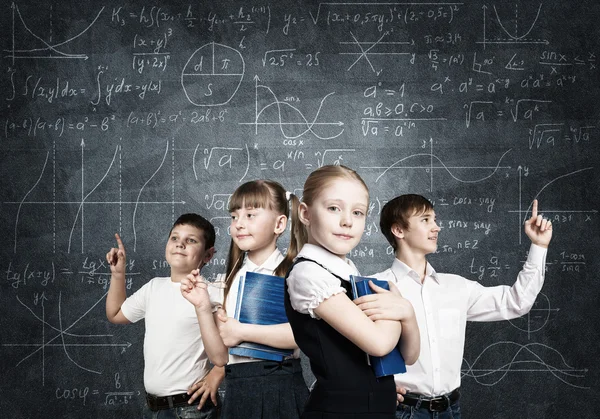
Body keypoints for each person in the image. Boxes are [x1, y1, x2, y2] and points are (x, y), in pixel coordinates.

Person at [366, 194, 553, 419]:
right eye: (426, 220)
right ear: (398, 230)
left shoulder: (457, 287)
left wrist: (539, 246)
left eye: (435, 220)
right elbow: (348, 353)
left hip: (451, 410)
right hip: (401, 411)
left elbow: (517, 302)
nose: (437, 228)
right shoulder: (375, 287)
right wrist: (371, 388)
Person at [284, 165, 421, 419]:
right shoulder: (309, 274)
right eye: (333, 208)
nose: (347, 220)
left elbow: (409, 356)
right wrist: (397, 309)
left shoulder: (348, 272)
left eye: (358, 212)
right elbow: (379, 344)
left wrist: (408, 313)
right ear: (305, 213)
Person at [180, 179, 309, 419]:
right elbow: (219, 357)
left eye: (250, 215)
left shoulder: (294, 273)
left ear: (279, 223)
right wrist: (202, 306)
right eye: (234, 216)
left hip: (282, 387)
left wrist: (242, 332)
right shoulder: (227, 281)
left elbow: (304, 335)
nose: (239, 224)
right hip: (239, 388)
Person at [105, 213, 219, 419]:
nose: (180, 244)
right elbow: (116, 314)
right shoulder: (153, 288)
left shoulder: (211, 293)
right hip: (156, 407)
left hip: (192, 407)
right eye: (174, 238)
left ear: (208, 255)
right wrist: (118, 274)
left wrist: (217, 374)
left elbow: (236, 343)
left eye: (191, 240)